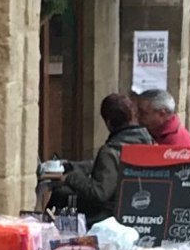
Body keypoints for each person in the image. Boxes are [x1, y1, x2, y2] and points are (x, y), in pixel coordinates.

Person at [51, 92, 150, 221]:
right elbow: (108, 167)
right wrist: (73, 166)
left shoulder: (110, 150)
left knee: (60, 193)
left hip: (108, 214)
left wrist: (70, 177)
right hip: (136, 208)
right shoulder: (146, 141)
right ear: (132, 117)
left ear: (108, 123)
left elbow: (99, 193)